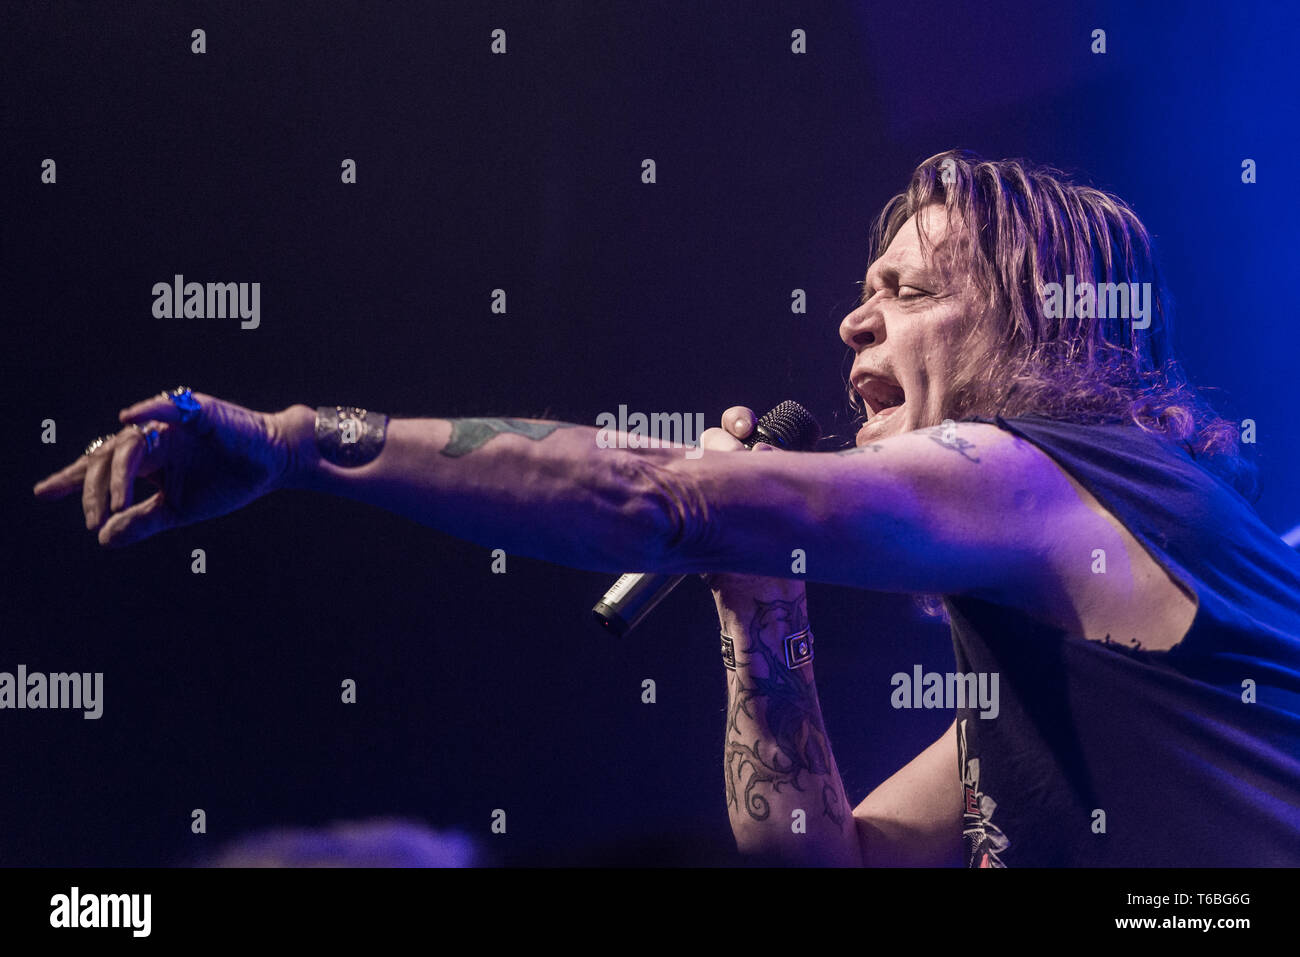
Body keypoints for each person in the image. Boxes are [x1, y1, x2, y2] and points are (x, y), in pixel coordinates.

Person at [33, 150, 1300, 867]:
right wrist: (759, 609)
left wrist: (296, 442)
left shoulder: (1059, 469)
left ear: (1033, 320)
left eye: (909, 292)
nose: (853, 320)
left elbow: (649, 493)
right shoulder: (1051, 658)